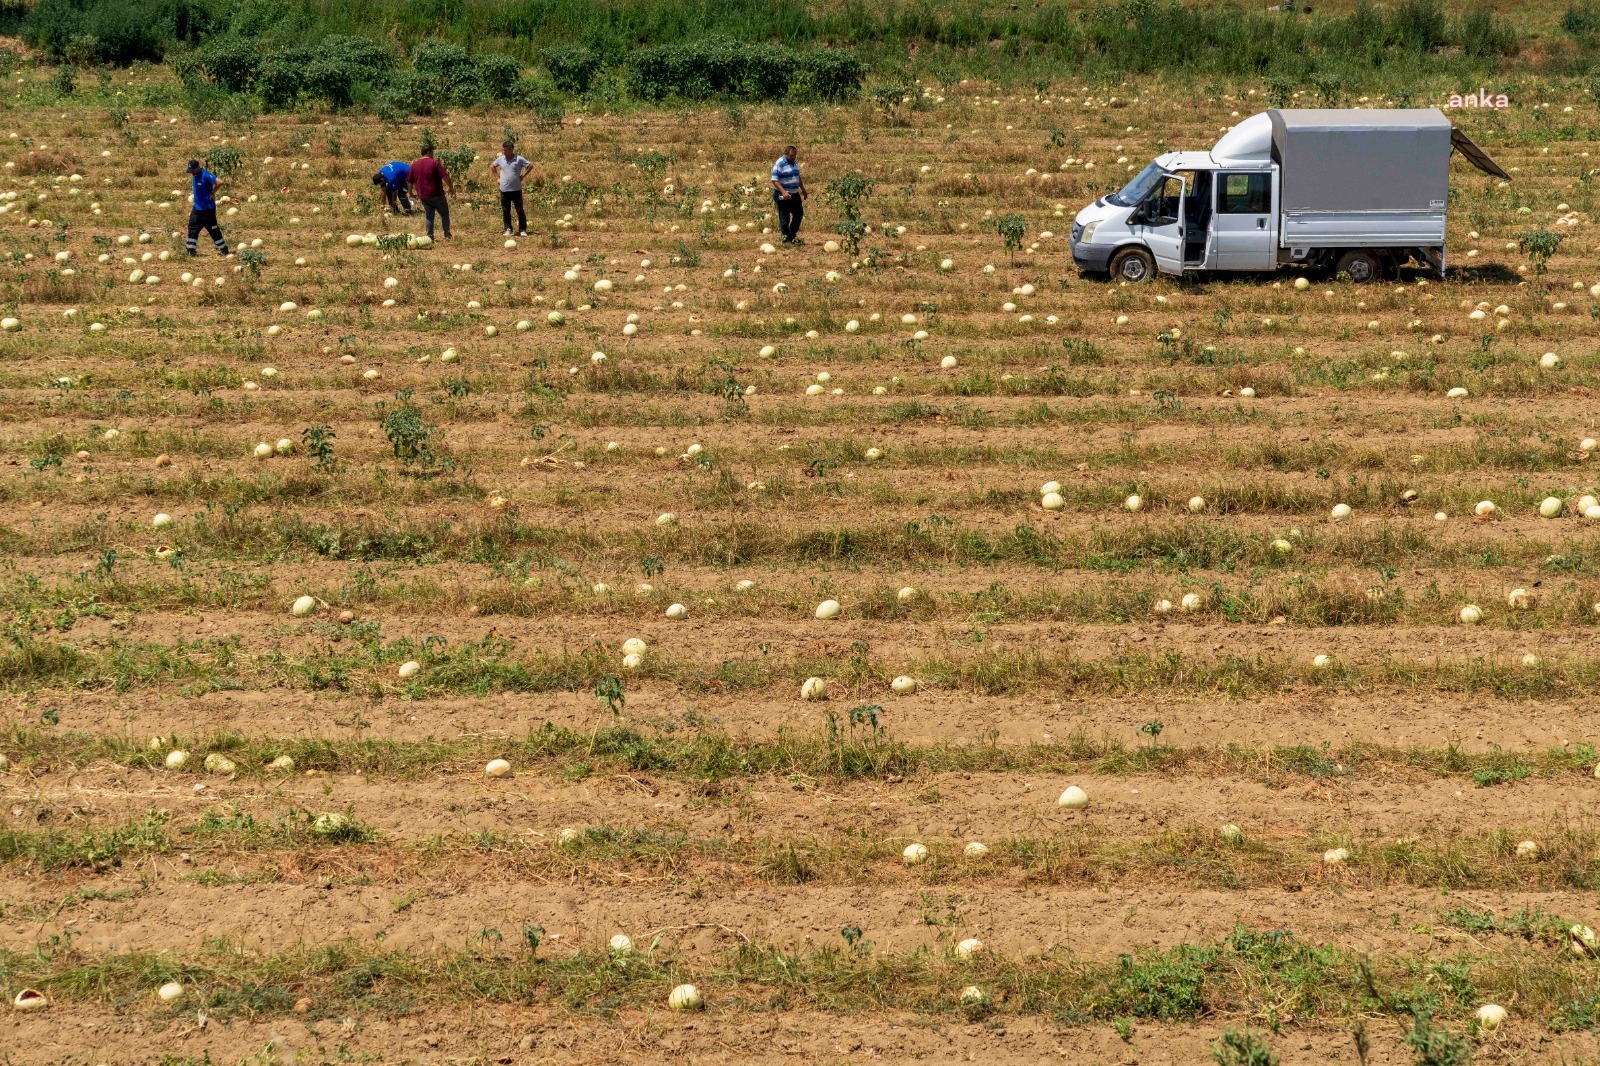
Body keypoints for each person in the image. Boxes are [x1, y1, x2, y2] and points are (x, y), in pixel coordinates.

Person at [185, 158, 228, 257]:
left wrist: (212, 192)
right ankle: (190, 250)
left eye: (193, 171)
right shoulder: (195, 175)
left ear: (198, 167)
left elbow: (220, 182)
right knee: (192, 227)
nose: (192, 173)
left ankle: (223, 249)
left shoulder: (205, 175)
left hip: (208, 209)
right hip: (197, 208)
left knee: (213, 229)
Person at [408, 145, 453, 240]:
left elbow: (409, 181)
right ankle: (447, 234)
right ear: (428, 152)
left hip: (423, 195)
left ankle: (430, 236)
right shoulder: (435, 163)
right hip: (437, 194)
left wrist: (410, 193)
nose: (433, 154)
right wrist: (451, 187)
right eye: (432, 152)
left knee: (429, 216)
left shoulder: (415, 165)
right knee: (444, 214)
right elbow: (445, 177)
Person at [490, 141, 531, 237]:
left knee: (520, 210)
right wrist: (497, 178)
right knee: (506, 210)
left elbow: (530, 166)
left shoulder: (519, 159)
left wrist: (523, 176)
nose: (504, 152)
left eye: (505, 150)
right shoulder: (501, 159)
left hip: (516, 189)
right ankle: (508, 229)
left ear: (511, 149)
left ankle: (522, 229)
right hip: (504, 190)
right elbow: (492, 166)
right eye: (503, 150)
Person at [770, 144, 807, 244]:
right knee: (785, 216)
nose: (794, 157)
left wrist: (803, 190)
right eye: (791, 156)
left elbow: (797, 177)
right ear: (786, 154)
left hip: (794, 194)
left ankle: (792, 235)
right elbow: (774, 180)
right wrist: (783, 192)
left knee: (799, 214)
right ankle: (785, 238)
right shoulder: (780, 163)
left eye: (795, 155)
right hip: (783, 194)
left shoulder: (794, 162)